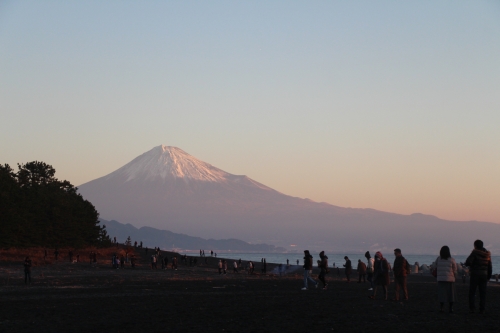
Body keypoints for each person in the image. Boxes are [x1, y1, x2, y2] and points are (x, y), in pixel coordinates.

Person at [465, 239, 492, 314]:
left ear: (475, 246)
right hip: (484, 274)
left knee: (472, 292)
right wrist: (489, 276)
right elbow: (489, 266)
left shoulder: (475, 253)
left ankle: (472, 308)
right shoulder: (487, 254)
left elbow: (468, 262)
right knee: (483, 292)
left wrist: (472, 265)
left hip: (475, 274)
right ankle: (482, 308)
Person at [434, 245, 457, 313]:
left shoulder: (438, 259)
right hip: (450, 279)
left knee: (442, 294)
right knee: (450, 294)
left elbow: (434, 266)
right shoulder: (452, 259)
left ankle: (442, 307)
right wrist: (454, 276)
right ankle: (451, 307)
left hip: (441, 279)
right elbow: (455, 269)